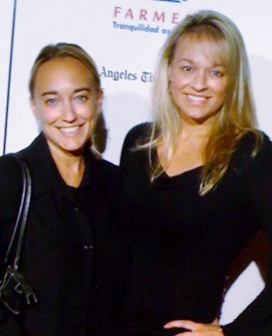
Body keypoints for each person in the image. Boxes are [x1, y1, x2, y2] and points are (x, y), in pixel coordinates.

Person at [119, 9, 272, 336]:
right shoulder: (139, 144)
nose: (199, 84)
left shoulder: (250, 155)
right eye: (188, 68)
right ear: (170, 71)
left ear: (232, 80)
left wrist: (233, 333)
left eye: (216, 72)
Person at [0, 43, 128, 336]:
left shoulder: (116, 185)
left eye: (80, 97)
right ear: (34, 105)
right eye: (52, 101)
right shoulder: (10, 179)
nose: (69, 115)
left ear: (98, 100)